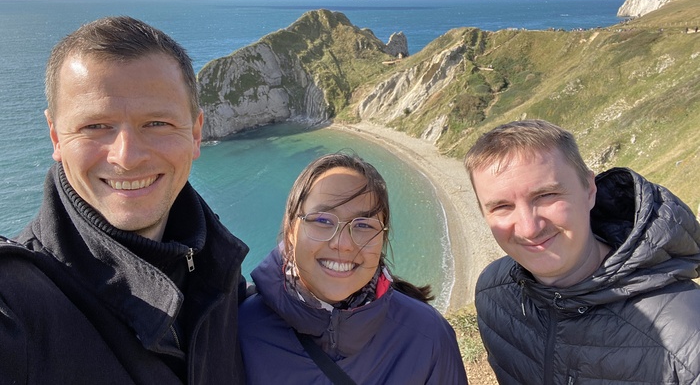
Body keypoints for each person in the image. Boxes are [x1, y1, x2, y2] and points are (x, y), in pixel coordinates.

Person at [0, 16, 249, 384]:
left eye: (157, 124)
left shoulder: (219, 268)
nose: (127, 156)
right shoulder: (16, 305)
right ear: (55, 137)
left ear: (196, 134)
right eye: (95, 126)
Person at [465, 119, 700, 384]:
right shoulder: (493, 293)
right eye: (501, 206)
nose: (529, 228)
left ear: (590, 189)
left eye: (546, 195)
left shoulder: (688, 340)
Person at [239, 152, 468, 384]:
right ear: (291, 231)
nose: (344, 244)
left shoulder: (428, 337)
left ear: (382, 239)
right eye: (322, 220)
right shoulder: (239, 330)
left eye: (363, 225)